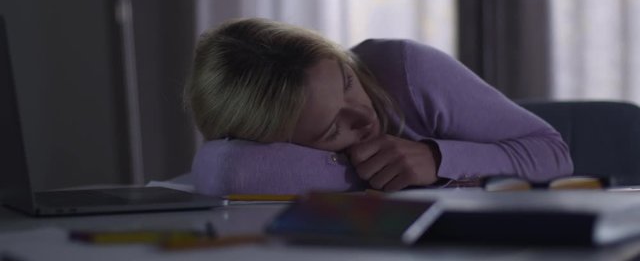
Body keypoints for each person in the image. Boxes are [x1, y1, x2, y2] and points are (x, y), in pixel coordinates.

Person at [185, 18, 573, 196]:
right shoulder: (264, 147)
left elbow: (553, 154)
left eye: (348, 83)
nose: (363, 114)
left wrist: (436, 159)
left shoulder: (408, 70)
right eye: (331, 128)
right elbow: (228, 169)